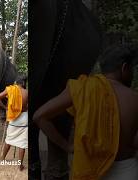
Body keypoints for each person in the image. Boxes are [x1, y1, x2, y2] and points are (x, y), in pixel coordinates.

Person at [33, 44, 138, 180]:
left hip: (88, 171)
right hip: (126, 171)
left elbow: (39, 116)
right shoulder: (134, 98)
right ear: (124, 68)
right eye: (132, 69)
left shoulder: (82, 88)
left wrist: (67, 146)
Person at [0, 76, 28, 171]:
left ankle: (2, 159)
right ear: (23, 84)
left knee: (8, 139)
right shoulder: (27, 92)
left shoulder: (10, 90)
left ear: (16, 83)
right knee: (23, 143)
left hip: (13, 118)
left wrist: (5, 107)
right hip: (24, 118)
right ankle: (19, 165)